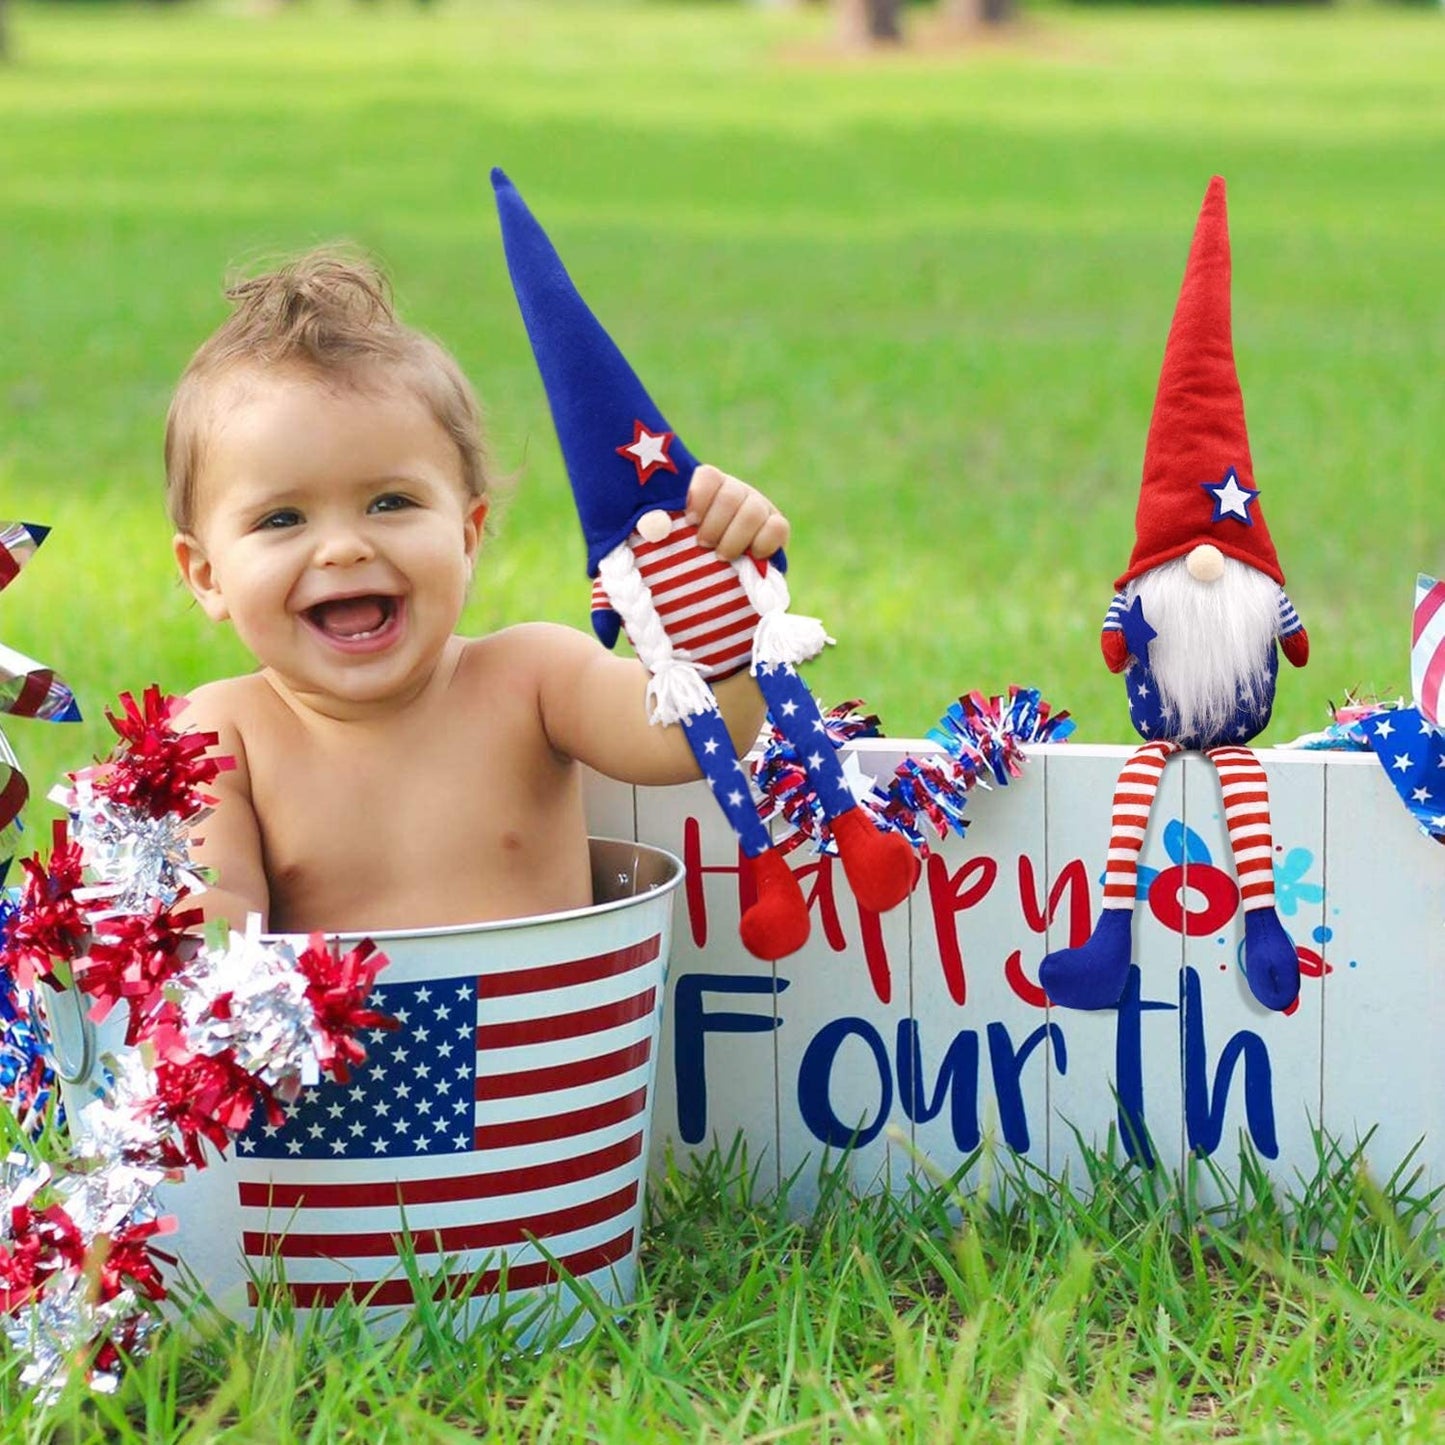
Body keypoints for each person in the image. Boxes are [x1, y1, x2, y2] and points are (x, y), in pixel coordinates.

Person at [166, 252, 789, 936]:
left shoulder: (533, 678)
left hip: (556, 1040)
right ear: (207, 575)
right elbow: (206, 943)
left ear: (467, 535)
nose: (344, 547)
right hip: (339, 1048)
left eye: (390, 501)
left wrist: (722, 602)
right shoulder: (219, 736)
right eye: (282, 518)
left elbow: (699, 739)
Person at [1038, 177, 1308, 1015]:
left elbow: (1293, 644)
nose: (1200, 560)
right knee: (1136, 782)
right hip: (1158, 736)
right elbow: (1118, 649)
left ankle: (1264, 923)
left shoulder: (1254, 592)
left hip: (1233, 738)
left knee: (1243, 783)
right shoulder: (1164, 592)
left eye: (1214, 542)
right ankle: (1108, 935)